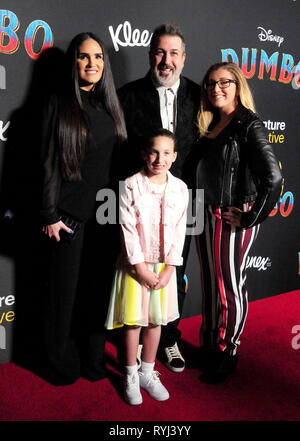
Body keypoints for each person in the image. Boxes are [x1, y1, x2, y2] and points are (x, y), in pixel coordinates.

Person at [40, 32, 127, 386]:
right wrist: (48, 214)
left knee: (96, 294)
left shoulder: (110, 106)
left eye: (98, 58)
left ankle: (92, 361)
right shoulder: (58, 104)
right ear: (73, 62)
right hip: (69, 218)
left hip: (106, 217)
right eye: (84, 57)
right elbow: (47, 164)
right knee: (64, 296)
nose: (92, 64)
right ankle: (59, 364)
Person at [117, 23, 200, 373]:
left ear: (183, 58)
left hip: (184, 200)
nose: (166, 61)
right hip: (139, 202)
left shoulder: (200, 95)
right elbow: (117, 150)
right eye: (160, 53)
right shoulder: (128, 94)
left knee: (173, 270)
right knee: (136, 271)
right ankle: (132, 347)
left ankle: (168, 340)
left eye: (173, 54)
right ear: (151, 55)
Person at [195, 62, 282, 383]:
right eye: (210, 84)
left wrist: (249, 217)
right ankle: (209, 346)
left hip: (231, 214)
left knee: (229, 288)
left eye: (224, 83)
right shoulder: (213, 122)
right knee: (209, 286)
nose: (216, 88)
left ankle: (228, 352)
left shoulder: (249, 124)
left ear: (237, 85)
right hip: (204, 211)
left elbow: (273, 179)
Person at [105, 129, 189, 405]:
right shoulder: (131, 185)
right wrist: (140, 267)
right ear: (144, 153)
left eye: (166, 153)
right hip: (135, 265)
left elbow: (179, 232)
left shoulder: (179, 188)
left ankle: (147, 372)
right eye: (153, 151)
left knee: (155, 320)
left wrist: (169, 269)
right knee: (133, 321)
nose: (159, 158)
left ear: (174, 157)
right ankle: (130, 373)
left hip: (164, 266)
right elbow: (127, 229)